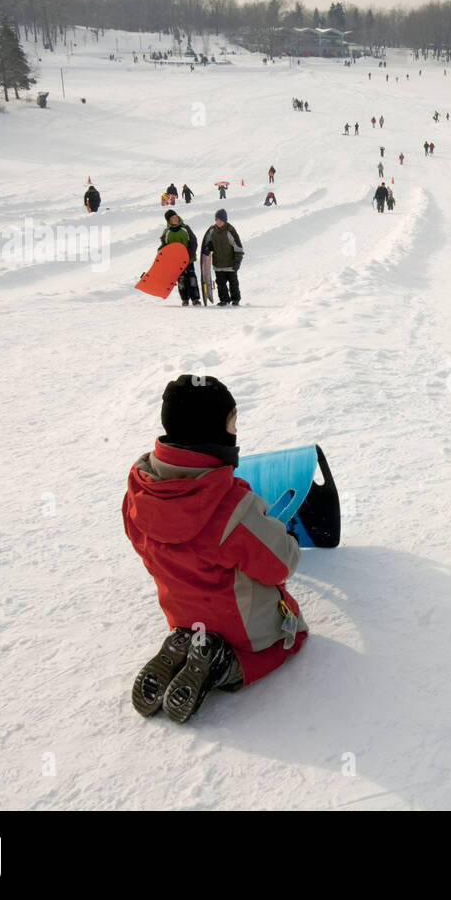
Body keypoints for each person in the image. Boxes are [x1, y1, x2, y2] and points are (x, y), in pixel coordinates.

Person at [124, 375, 307, 722]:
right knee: (292, 637)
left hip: (181, 611)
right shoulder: (231, 507)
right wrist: (279, 532)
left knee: (194, 614)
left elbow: (140, 544)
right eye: (233, 420)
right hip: (240, 627)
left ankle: (184, 641)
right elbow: (281, 564)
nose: (237, 429)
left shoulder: (140, 489)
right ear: (215, 431)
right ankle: (223, 664)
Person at [200, 208, 244, 306]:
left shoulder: (230, 231)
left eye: (221, 220)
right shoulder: (212, 231)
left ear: (225, 220)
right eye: (217, 220)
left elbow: (238, 248)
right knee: (220, 283)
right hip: (218, 263)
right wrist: (208, 248)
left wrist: (237, 261)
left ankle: (235, 300)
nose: (218, 222)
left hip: (230, 263)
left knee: (233, 283)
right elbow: (210, 243)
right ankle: (224, 300)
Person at [160, 209, 201, 306]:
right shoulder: (167, 232)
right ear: (169, 221)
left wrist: (189, 254)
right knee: (181, 279)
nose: (175, 219)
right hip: (176, 261)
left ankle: (195, 299)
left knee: (191, 278)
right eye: (172, 218)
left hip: (188, 259)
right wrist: (161, 253)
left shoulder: (185, 228)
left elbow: (193, 242)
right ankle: (185, 299)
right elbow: (164, 246)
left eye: (175, 217)